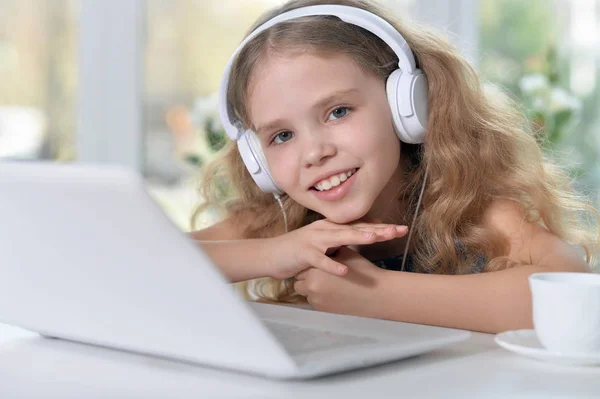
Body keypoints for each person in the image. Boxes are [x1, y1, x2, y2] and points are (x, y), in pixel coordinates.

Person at [189, 0, 599, 334]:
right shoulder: (275, 224)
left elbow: (570, 286)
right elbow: (136, 262)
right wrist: (271, 253)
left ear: (407, 105)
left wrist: (377, 294)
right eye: (281, 136)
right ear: (256, 159)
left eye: (337, 111)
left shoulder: (471, 208)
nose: (313, 153)